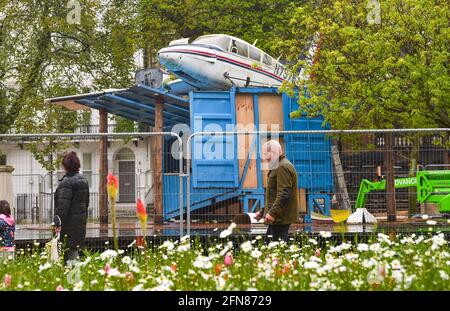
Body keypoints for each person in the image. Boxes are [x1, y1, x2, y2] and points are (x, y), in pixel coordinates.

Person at [255, 140, 299, 242]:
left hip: (279, 218)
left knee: (274, 249)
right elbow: (274, 195)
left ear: (273, 152)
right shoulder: (279, 165)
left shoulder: (282, 167)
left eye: (266, 154)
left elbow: (284, 194)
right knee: (271, 247)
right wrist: (262, 212)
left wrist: (272, 213)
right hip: (277, 217)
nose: (265, 158)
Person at [54, 151, 89, 265]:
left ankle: (73, 280)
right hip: (80, 224)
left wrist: (57, 223)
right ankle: (74, 279)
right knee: (74, 251)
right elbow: (86, 203)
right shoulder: (83, 181)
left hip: (68, 225)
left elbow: (62, 207)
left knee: (69, 254)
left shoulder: (66, 182)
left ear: (65, 166)